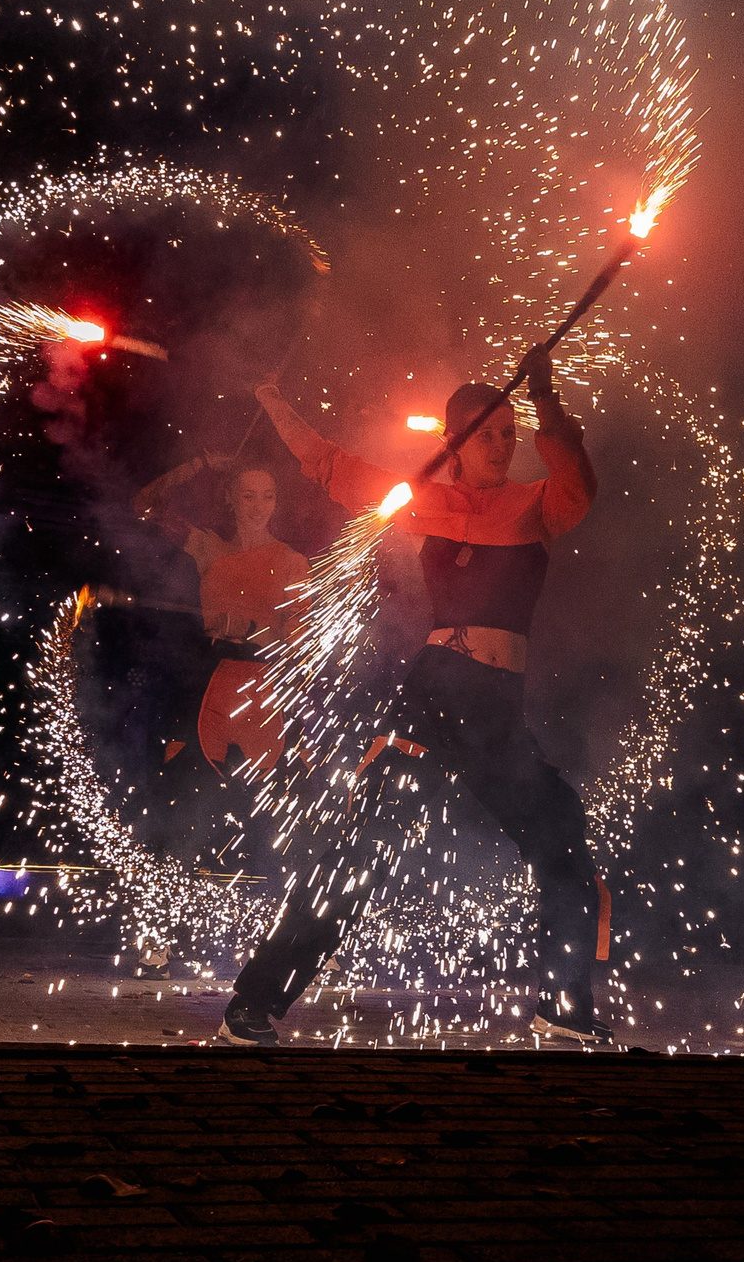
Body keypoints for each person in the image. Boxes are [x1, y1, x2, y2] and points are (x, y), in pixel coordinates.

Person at [218, 348, 613, 1046]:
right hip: (433, 699)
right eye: (487, 433)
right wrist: (274, 399)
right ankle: (256, 1003)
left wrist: (547, 402)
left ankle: (565, 1004)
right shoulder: (424, 497)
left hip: (496, 713)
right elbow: (330, 465)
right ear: (455, 441)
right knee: (356, 854)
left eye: (509, 431)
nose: (503, 442)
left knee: (563, 847)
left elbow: (578, 485)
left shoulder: (531, 506)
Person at [131, 453, 309, 775]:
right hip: (207, 672)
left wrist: (250, 627)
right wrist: (199, 463)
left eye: (268, 497)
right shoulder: (208, 547)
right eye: (248, 496)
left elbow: (297, 638)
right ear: (230, 498)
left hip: (261, 681)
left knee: (259, 793)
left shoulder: (292, 561)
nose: (259, 507)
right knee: (182, 778)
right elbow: (144, 504)